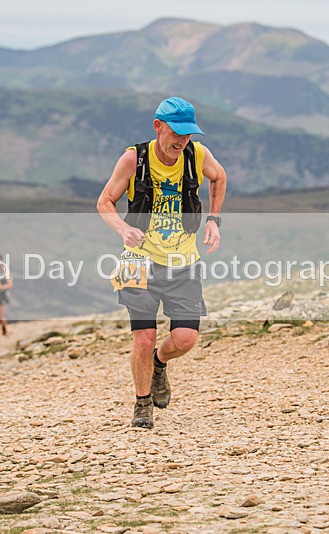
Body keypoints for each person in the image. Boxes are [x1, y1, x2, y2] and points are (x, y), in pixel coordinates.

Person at [97, 97, 227, 429]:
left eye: (189, 134)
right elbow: (105, 202)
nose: (182, 141)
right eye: (177, 132)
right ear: (158, 126)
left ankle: (159, 364)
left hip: (184, 262)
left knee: (185, 338)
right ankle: (142, 404)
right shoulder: (133, 159)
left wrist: (214, 221)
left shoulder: (197, 155)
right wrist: (124, 228)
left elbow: (219, 177)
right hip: (138, 261)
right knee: (144, 336)